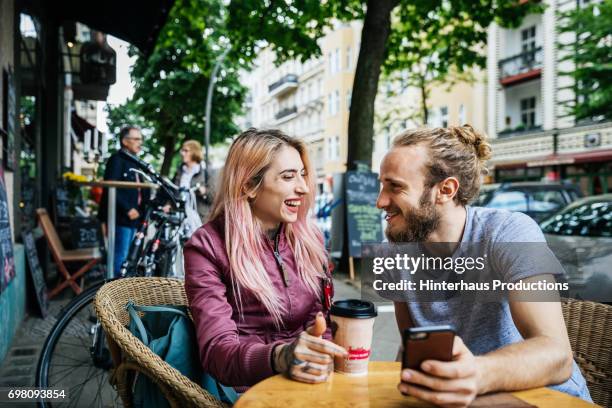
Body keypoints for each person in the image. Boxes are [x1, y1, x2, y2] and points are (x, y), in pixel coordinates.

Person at [375, 125, 592, 406]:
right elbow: (415, 345)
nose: (380, 201)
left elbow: (556, 355)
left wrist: (474, 374)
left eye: (396, 187)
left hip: (546, 399)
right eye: (381, 185)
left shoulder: (508, 232)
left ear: (445, 189)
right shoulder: (396, 252)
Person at [183, 128, 347, 390]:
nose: (303, 188)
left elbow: (319, 320)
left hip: (309, 383)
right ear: (249, 185)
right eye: (288, 176)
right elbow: (217, 353)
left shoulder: (308, 238)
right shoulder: (207, 246)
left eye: (303, 175)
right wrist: (281, 356)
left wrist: (320, 354)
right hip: (247, 391)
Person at [98, 126, 150, 277]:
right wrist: (128, 208)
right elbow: (110, 187)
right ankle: (117, 294)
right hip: (122, 217)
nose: (140, 142)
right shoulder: (117, 159)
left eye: (141, 139)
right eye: (136, 139)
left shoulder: (135, 161)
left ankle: (125, 291)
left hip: (136, 217)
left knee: (130, 257)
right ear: (125, 141)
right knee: (121, 256)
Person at [164, 140, 210, 222]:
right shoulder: (180, 171)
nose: (182, 153)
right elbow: (173, 191)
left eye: (186, 151)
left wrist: (204, 192)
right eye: (182, 150)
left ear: (194, 152)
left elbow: (214, 195)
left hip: (199, 217)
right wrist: (169, 204)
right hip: (180, 216)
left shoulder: (205, 171)